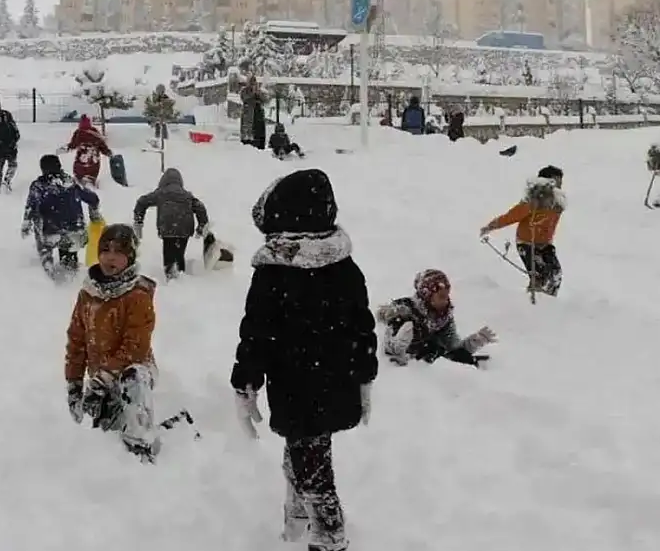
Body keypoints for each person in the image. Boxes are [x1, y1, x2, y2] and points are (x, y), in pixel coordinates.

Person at [231, 168, 377, 551]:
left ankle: (329, 536)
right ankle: (298, 521)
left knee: (312, 462)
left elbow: (256, 333)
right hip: (336, 381)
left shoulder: (273, 274)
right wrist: (364, 375)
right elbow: (362, 327)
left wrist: (245, 381)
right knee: (309, 449)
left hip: (295, 385)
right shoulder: (345, 268)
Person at [65, 223, 161, 463]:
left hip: (135, 370)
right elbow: (77, 341)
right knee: (106, 435)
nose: (110, 257)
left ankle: (143, 444)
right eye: (105, 250)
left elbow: (135, 346)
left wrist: (103, 379)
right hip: (100, 379)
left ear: (129, 258)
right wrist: (74, 383)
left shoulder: (137, 296)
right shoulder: (88, 295)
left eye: (119, 252)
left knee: (133, 379)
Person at [378, 269, 497, 368]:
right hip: (404, 366)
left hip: (427, 363)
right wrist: (391, 318)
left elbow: (452, 349)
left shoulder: (443, 318)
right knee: (428, 345)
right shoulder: (406, 310)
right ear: (427, 295)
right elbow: (381, 323)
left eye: (447, 296)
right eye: (441, 297)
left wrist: (472, 343)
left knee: (437, 349)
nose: (445, 301)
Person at [480, 165, 566, 296]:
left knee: (556, 273)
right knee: (539, 275)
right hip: (527, 243)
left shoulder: (558, 203)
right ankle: (533, 302)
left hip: (545, 244)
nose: (558, 186)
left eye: (560, 183)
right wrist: (491, 226)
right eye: (555, 182)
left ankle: (549, 301)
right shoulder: (533, 202)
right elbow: (511, 216)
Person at [22, 155, 101, 281]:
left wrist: (26, 224)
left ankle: (47, 264)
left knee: (39, 223)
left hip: (52, 232)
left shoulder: (39, 186)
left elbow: (31, 208)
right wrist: (94, 214)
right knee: (69, 249)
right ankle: (70, 273)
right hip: (76, 231)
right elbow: (93, 199)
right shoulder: (71, 183)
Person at [132, 168, 209, 279]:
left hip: (167, 227)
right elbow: (200, 208)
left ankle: (171, 276)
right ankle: (180, 273)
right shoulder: (187, 195)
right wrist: (202, 225)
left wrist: (138, 220)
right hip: (185, 228)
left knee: (169, 252)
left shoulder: (160, 193)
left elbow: (142, 201)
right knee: (179, 252)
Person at [61, 115, 112, 188]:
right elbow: (102, 146)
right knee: (91, 178)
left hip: (80, 162)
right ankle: (92, 187)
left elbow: (73, 145)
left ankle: (81, 188)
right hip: (94, 162)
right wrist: (108, 153)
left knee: (79, 180)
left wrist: (65, 148)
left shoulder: (78, 133)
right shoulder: (95, 133)